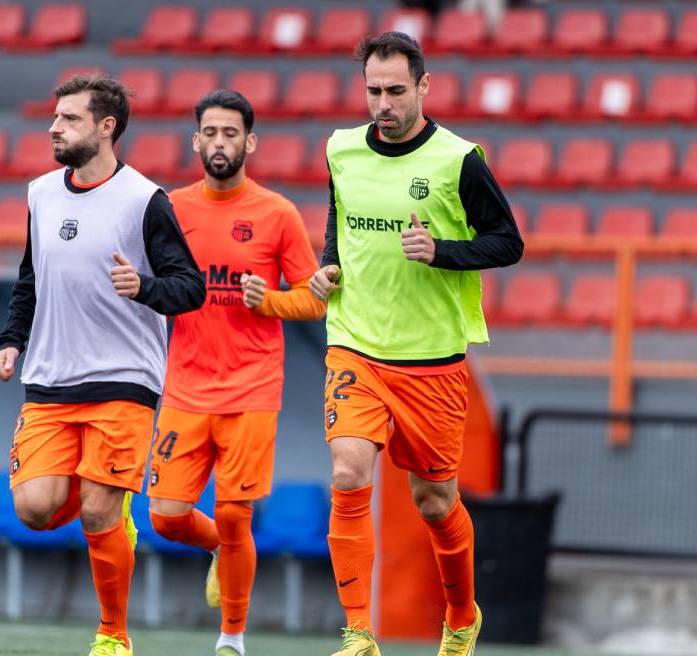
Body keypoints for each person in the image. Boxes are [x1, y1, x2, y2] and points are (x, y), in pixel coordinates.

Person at [309, 32, 523, 656]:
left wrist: (443, 252)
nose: (384, 103)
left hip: (431, 361)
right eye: (374, 90)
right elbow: (340, 220)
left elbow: (507, 242)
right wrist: (329, 266)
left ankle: (461, 616)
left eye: (396, 90)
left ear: (424, 86)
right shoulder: (341, 149)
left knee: (435, 503)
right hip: (355, 345)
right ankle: (358, 632)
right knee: (348, 472)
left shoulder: (459, 160)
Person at [0, 75, 205, 656]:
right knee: (34, 509)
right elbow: (30, 280)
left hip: (124, 379)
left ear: (106, 127)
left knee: (95, 509)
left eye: (69, 118)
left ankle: (113, 636)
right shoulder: (40, 193)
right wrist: (12, 340)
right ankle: (109, 512)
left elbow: (191, 288)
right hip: (50, 380)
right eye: (55, 117)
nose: (54, 127)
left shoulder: (144, 199)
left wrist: (144, 288)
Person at [145, 89, 326, 656]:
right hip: (185, 384)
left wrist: (268, 301)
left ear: (250, 142)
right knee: (166, 517)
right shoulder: (170, 209)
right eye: (210, 133)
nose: (219, 143)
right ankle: (222, 550)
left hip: (252, 386)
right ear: (195, 140)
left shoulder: (277, 214)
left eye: (231, 134)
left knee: (233, 510)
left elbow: (314, 300)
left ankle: (232, 637)